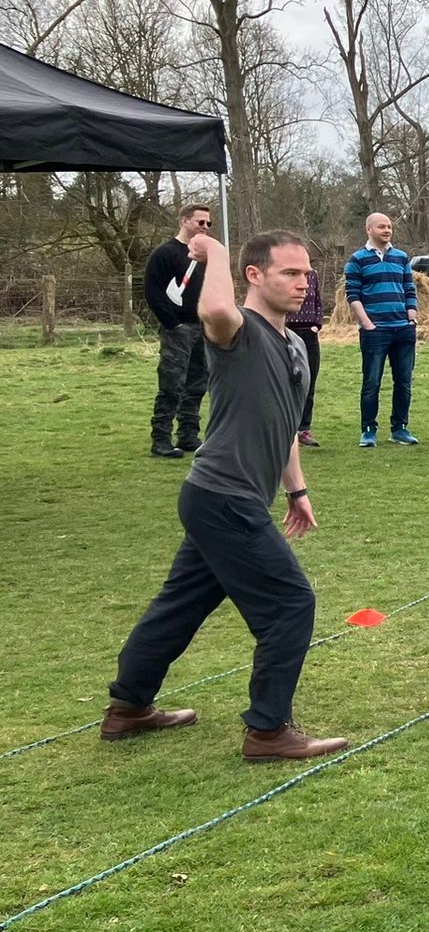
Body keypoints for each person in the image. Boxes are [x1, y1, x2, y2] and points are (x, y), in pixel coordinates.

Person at [103, 229, 349, 761]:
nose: (303, 283)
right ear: (254, 276)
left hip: (227, 499)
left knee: (180, 606)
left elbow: (282, 426)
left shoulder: (295, 348)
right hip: (223, 497)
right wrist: (212, 249)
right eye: (289, 272)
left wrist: (297, 489)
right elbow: (213, 306)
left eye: (306, 273)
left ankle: (128, 707)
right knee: (290, 602)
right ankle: (268, 731)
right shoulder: (236, 330)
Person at [142, 203, 213, 458]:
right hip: (178, 329)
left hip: (204, 328)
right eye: (200, 222)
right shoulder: (165, 254)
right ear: (184, 221)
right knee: (172, 383)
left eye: (208, 223)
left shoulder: (205, 257)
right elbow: (153, 291)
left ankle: (188, 435)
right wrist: (173, 323)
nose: (205, 227)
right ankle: (161, 438)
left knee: (197, 384)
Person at [343, 211, 419, 447]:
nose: (387, 230)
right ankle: (368, 430)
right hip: (375, 331)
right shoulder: (357, 260)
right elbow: (352, 295)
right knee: (372, 382)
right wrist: (367, 323)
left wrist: (411, 317)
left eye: (389, 227)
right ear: (369, 230)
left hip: (403, 329)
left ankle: (400, 428)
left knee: (404, 382)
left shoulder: (401, 257)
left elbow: (409, 289)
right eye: (381, 227)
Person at [289, 264, 324, 447]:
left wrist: (317, 324)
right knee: (285, 383)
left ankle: (304, 429)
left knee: (308, 383)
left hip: (310, 334)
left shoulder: (313, 275)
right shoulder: (284, 274)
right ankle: (287, 429)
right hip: (287, 332)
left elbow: (318, 302)